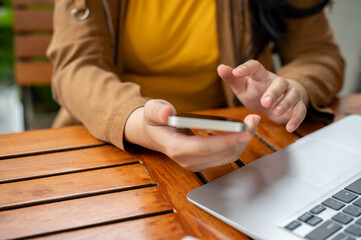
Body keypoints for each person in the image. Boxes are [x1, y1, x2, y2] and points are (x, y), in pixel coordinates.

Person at [47, 0, 344, 171]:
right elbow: (76, 66)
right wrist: (134, 119)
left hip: (236, 150)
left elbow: (317, 53)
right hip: (110, 144)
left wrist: (290, 91)